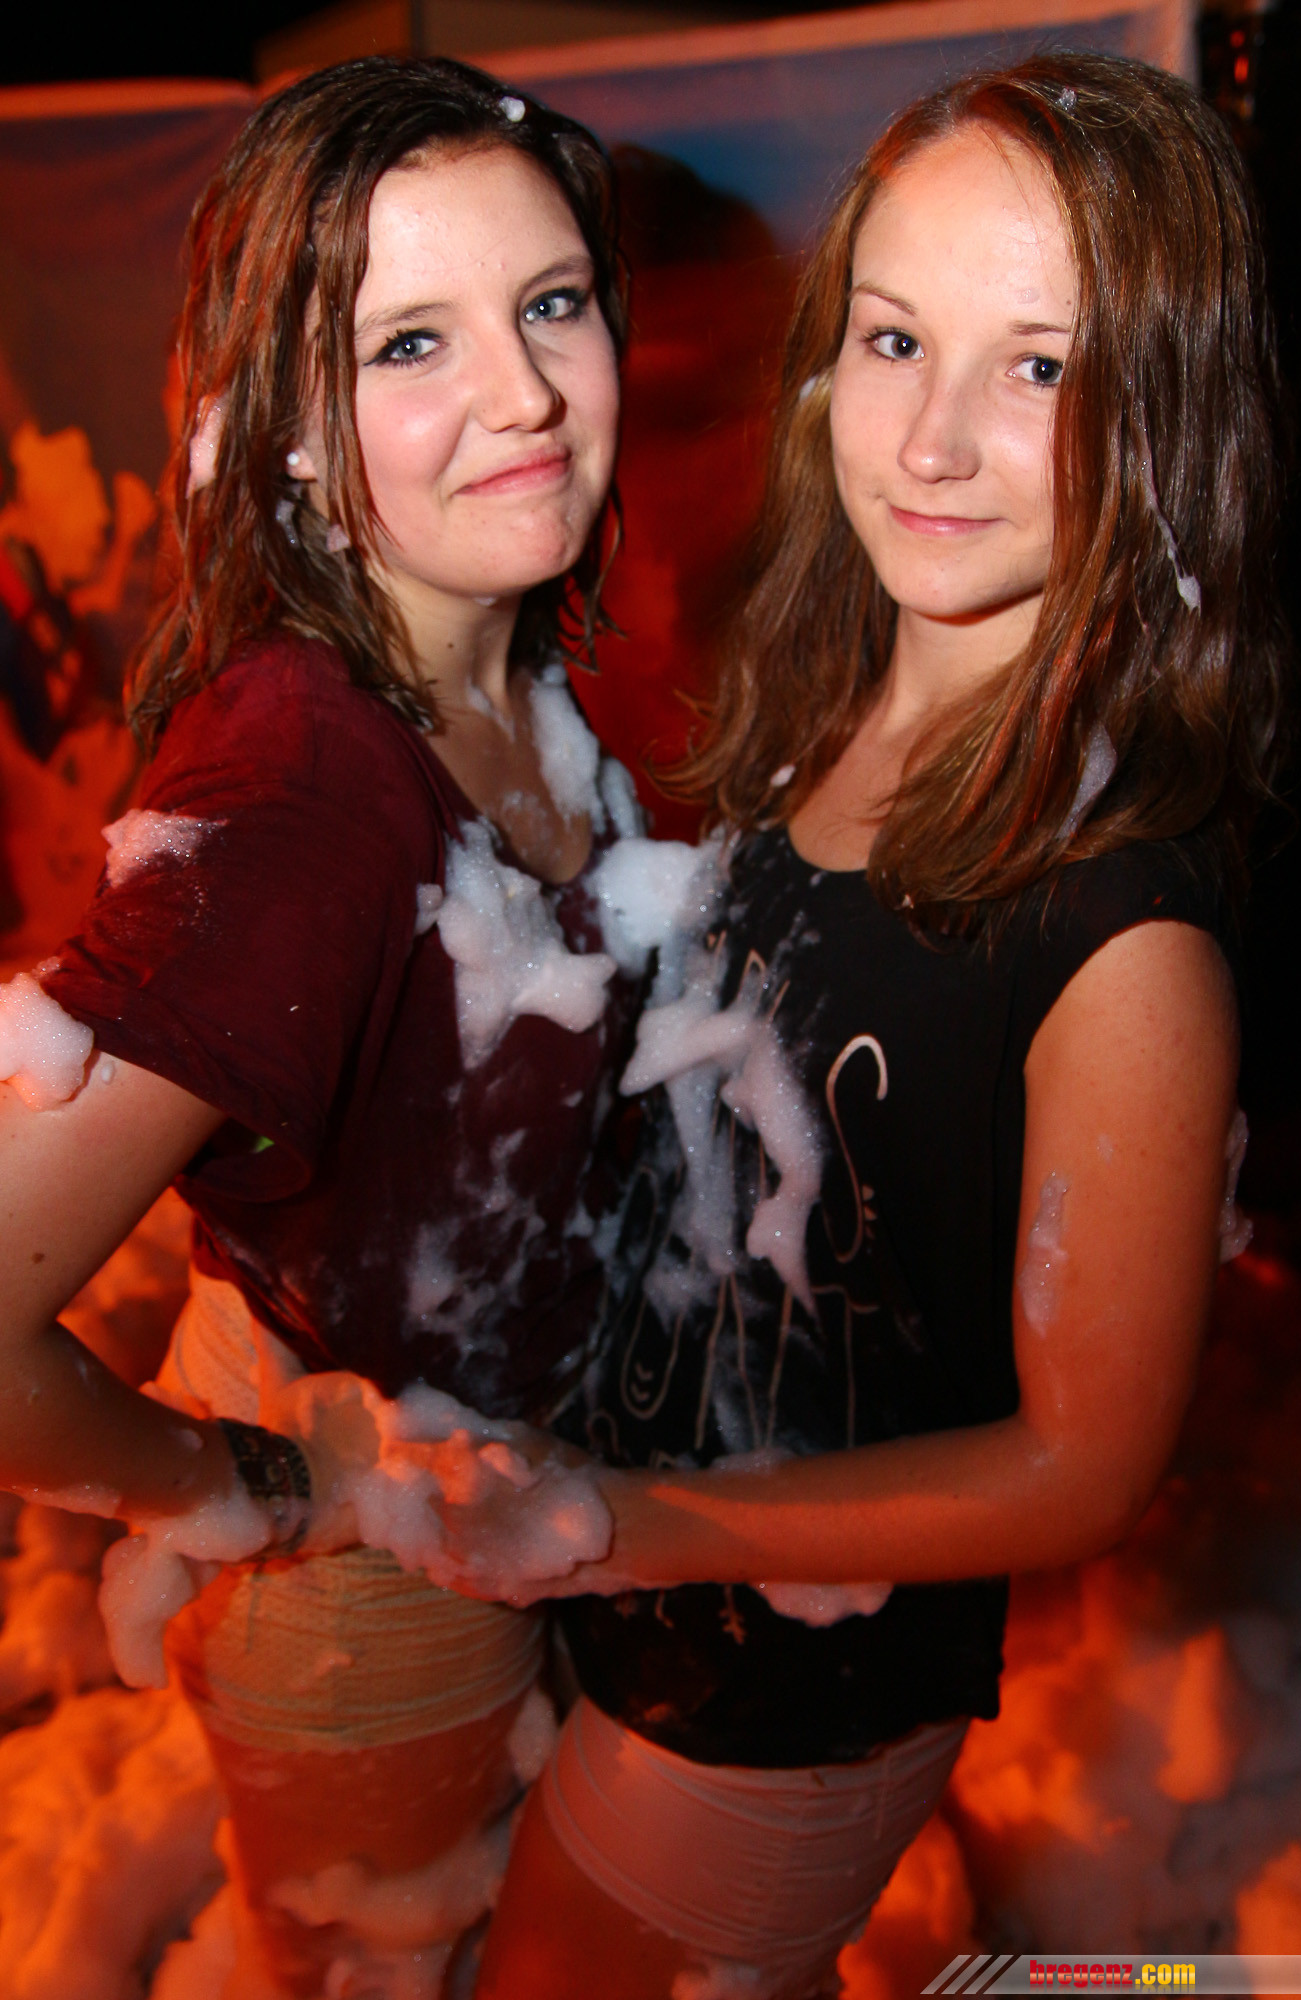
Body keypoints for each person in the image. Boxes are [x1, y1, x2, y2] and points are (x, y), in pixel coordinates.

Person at [476, 51, 1286, 2000]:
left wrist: (646, 1521)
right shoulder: (828, 709)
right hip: (649, 1606)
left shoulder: (1117, 926)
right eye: (896, 337)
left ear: (1167, 410)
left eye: (1037, 368)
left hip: (778, 1704)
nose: (929, 438)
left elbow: (1085, 1463)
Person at [0, 56, 637, 1999]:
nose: (526, 394)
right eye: (410, 342)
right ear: (286, 417)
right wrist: (248, 1490)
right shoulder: (306, 791)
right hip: (369, 1602)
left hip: (496, 1506)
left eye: (550, 302)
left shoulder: (492, 659)